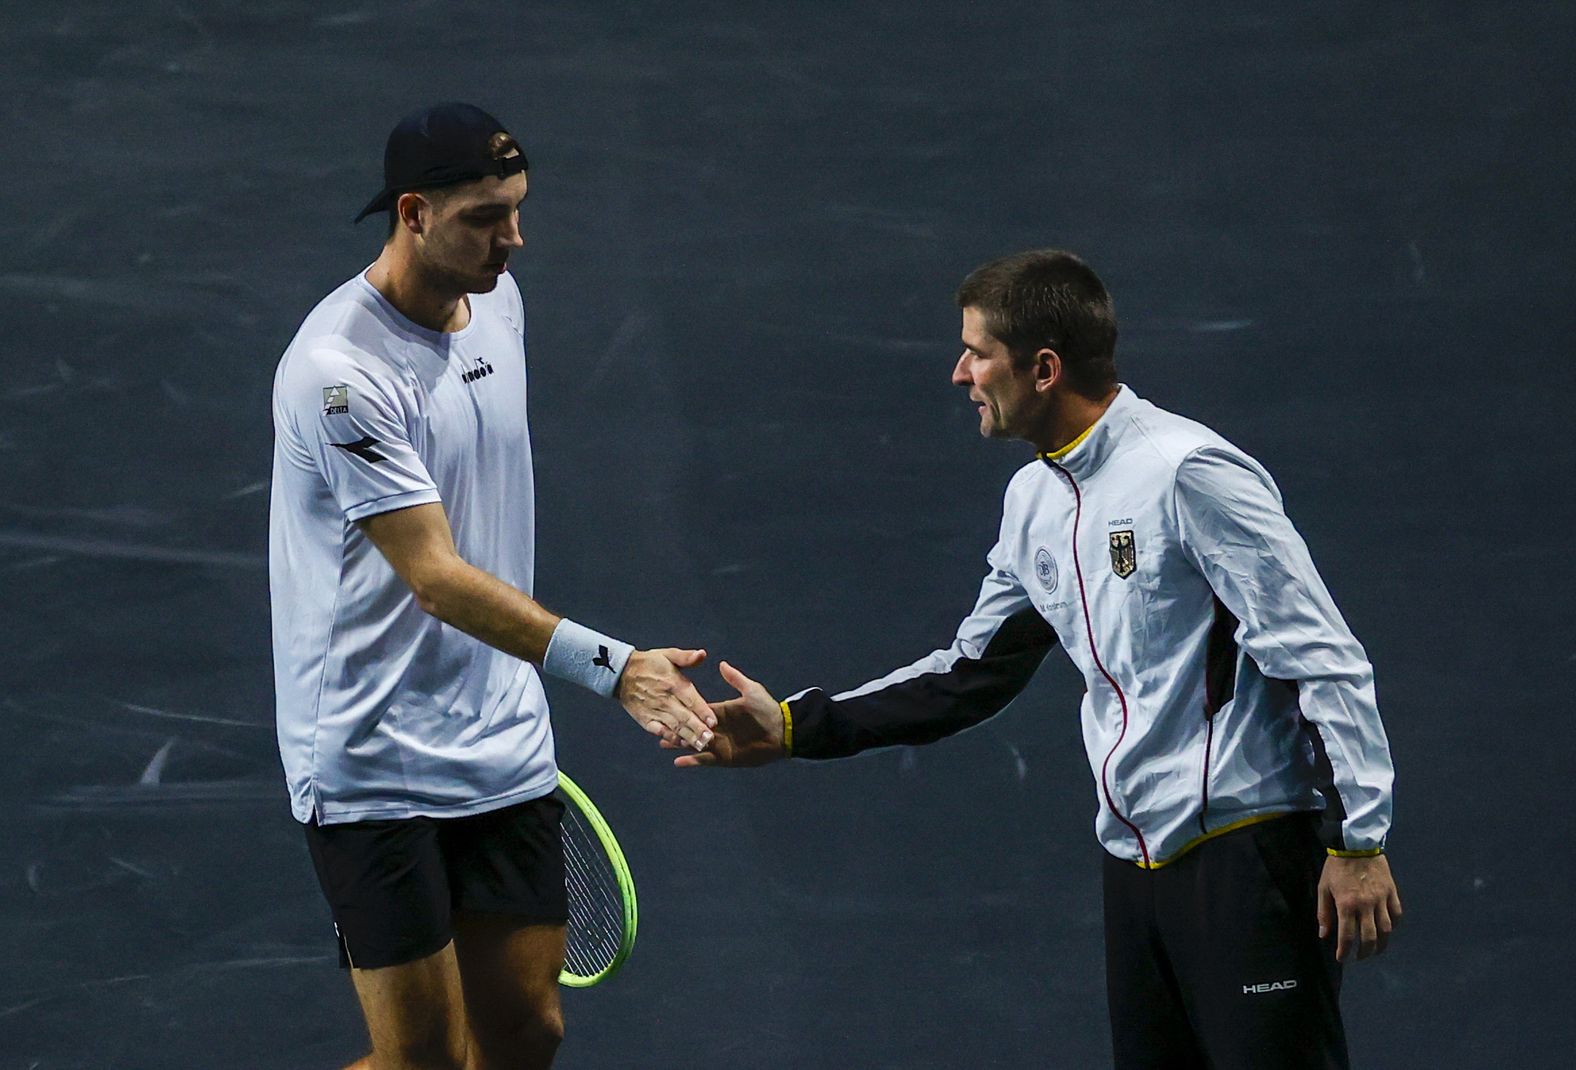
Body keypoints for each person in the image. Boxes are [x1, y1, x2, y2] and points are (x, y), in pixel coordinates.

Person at [673, 249, 1401, 1069]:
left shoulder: (1186, 474)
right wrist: (800, 727)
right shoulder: (1033, 501)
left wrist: (1358, 842)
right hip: (1136, 872)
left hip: (1249, 855)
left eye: (977, 352)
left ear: (1044, 368)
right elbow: (968, 675)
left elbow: (1323, 658)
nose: (959, 374)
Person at [269, 102, 717, 1070]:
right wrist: (616, 669)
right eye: (484, 216)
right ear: (413, 212)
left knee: (524, 1032)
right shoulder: (338, 375)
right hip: (372, 753)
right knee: (421, 1056)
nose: (511, 238)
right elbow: (432, 576)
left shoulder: (497, 299)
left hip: (500, 737)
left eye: (516, 209)